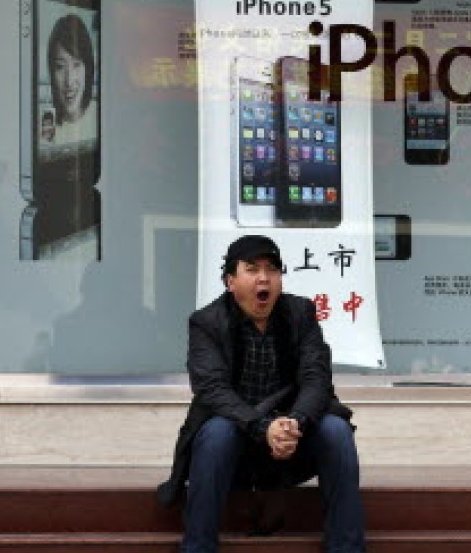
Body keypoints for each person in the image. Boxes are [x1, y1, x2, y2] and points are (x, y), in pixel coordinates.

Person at [157, 235, 366, 553]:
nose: (264, 278)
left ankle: (347, 547)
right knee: (216, 432)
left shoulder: (301, 313)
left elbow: (316, 378)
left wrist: (295, 421)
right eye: (252, 269)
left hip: (293, 438)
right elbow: (212, 389)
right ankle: (198, 547)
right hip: (236, 439)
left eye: (272, 269)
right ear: (231, 280)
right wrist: (261, 426)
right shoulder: (206, 323)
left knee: (336, 430)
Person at [47, 13, 95, 127]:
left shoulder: (100, 114)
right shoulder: (47, 124)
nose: (69, 81)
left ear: (87, 69)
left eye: (76, 65)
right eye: (60, 66)